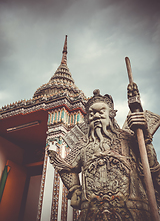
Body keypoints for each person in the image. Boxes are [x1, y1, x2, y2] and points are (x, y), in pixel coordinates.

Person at [48, 84, 160, 221]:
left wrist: (146, 138)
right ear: (87, 118)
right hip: (92, 212)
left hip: (133, 211)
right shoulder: (83, 144)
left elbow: (151, 167)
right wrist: (75, 189)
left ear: (111, 114)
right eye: (92, 113)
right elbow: (66, 167)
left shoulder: (129, 138)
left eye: (101, 112)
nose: (96, 116)